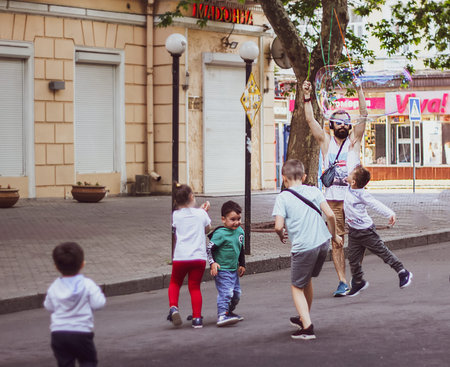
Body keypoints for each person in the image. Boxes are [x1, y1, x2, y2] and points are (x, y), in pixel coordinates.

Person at [302, 78, 368, 297]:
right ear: (331, 125)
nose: (342, 125)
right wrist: (306, 96)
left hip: (355, 201)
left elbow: (364, 115)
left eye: (345, 122)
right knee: (337, 242)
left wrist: (359, 89)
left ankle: (356, 274)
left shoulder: (354, 141)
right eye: (337, 122)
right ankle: (342, 281)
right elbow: (310, 119)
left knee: (360, 240)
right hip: (333, 202)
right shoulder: (325, 141)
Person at [272, 160, 343, 340]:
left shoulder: (283, 197)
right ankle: (304, 316)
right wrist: (334, 235)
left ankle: (307, 328)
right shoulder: (314, 191)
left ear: (283, 178)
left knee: (296, 286)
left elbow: (278, 226)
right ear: (303, 177)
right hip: (322, 243)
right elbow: (331, 215)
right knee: (307, 280)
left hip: (303, 247)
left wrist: (281, 235)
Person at [344, 165, 413, 296]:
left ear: (353, 182)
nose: (348, 173)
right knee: (353, 259)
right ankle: (358, 282)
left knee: (383, 253)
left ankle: (403, 272)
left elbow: (375, 204)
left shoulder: (362, 194)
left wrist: (390, 213)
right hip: (354, 232)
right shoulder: (348, 186)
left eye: (351, 173)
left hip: (367, 232)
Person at [44, 242, 106, 367]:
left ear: (56, 267)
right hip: (81, 332)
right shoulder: (87, 284)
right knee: (88, 361)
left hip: (58, 333)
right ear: (82, 264)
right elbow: (98, 303)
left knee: (65, 363)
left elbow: (48, 306)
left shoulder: (54, 287)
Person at [168, 183, 212, 329]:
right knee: (194, 287)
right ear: (192, 197)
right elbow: (207, 229)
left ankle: (174, 307)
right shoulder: (201, 214)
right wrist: (204, 212)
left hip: (180, 256)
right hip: (198, 257)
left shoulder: (175, 216)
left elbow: (176, 232)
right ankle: (197, 319)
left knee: (175, 282)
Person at [207, 200, 246, 327]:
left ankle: (228, 312)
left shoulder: (240, 232)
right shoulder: (220, 234)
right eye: (232, 219)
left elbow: (241, 248)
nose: (237, 222)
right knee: (226, 292)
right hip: (222, 269)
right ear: (224, 219)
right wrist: (212, 263)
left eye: (239, 218)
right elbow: (209, 249)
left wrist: (242, 264)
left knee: (236, 294)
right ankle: (222, 315)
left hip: (233, 269)